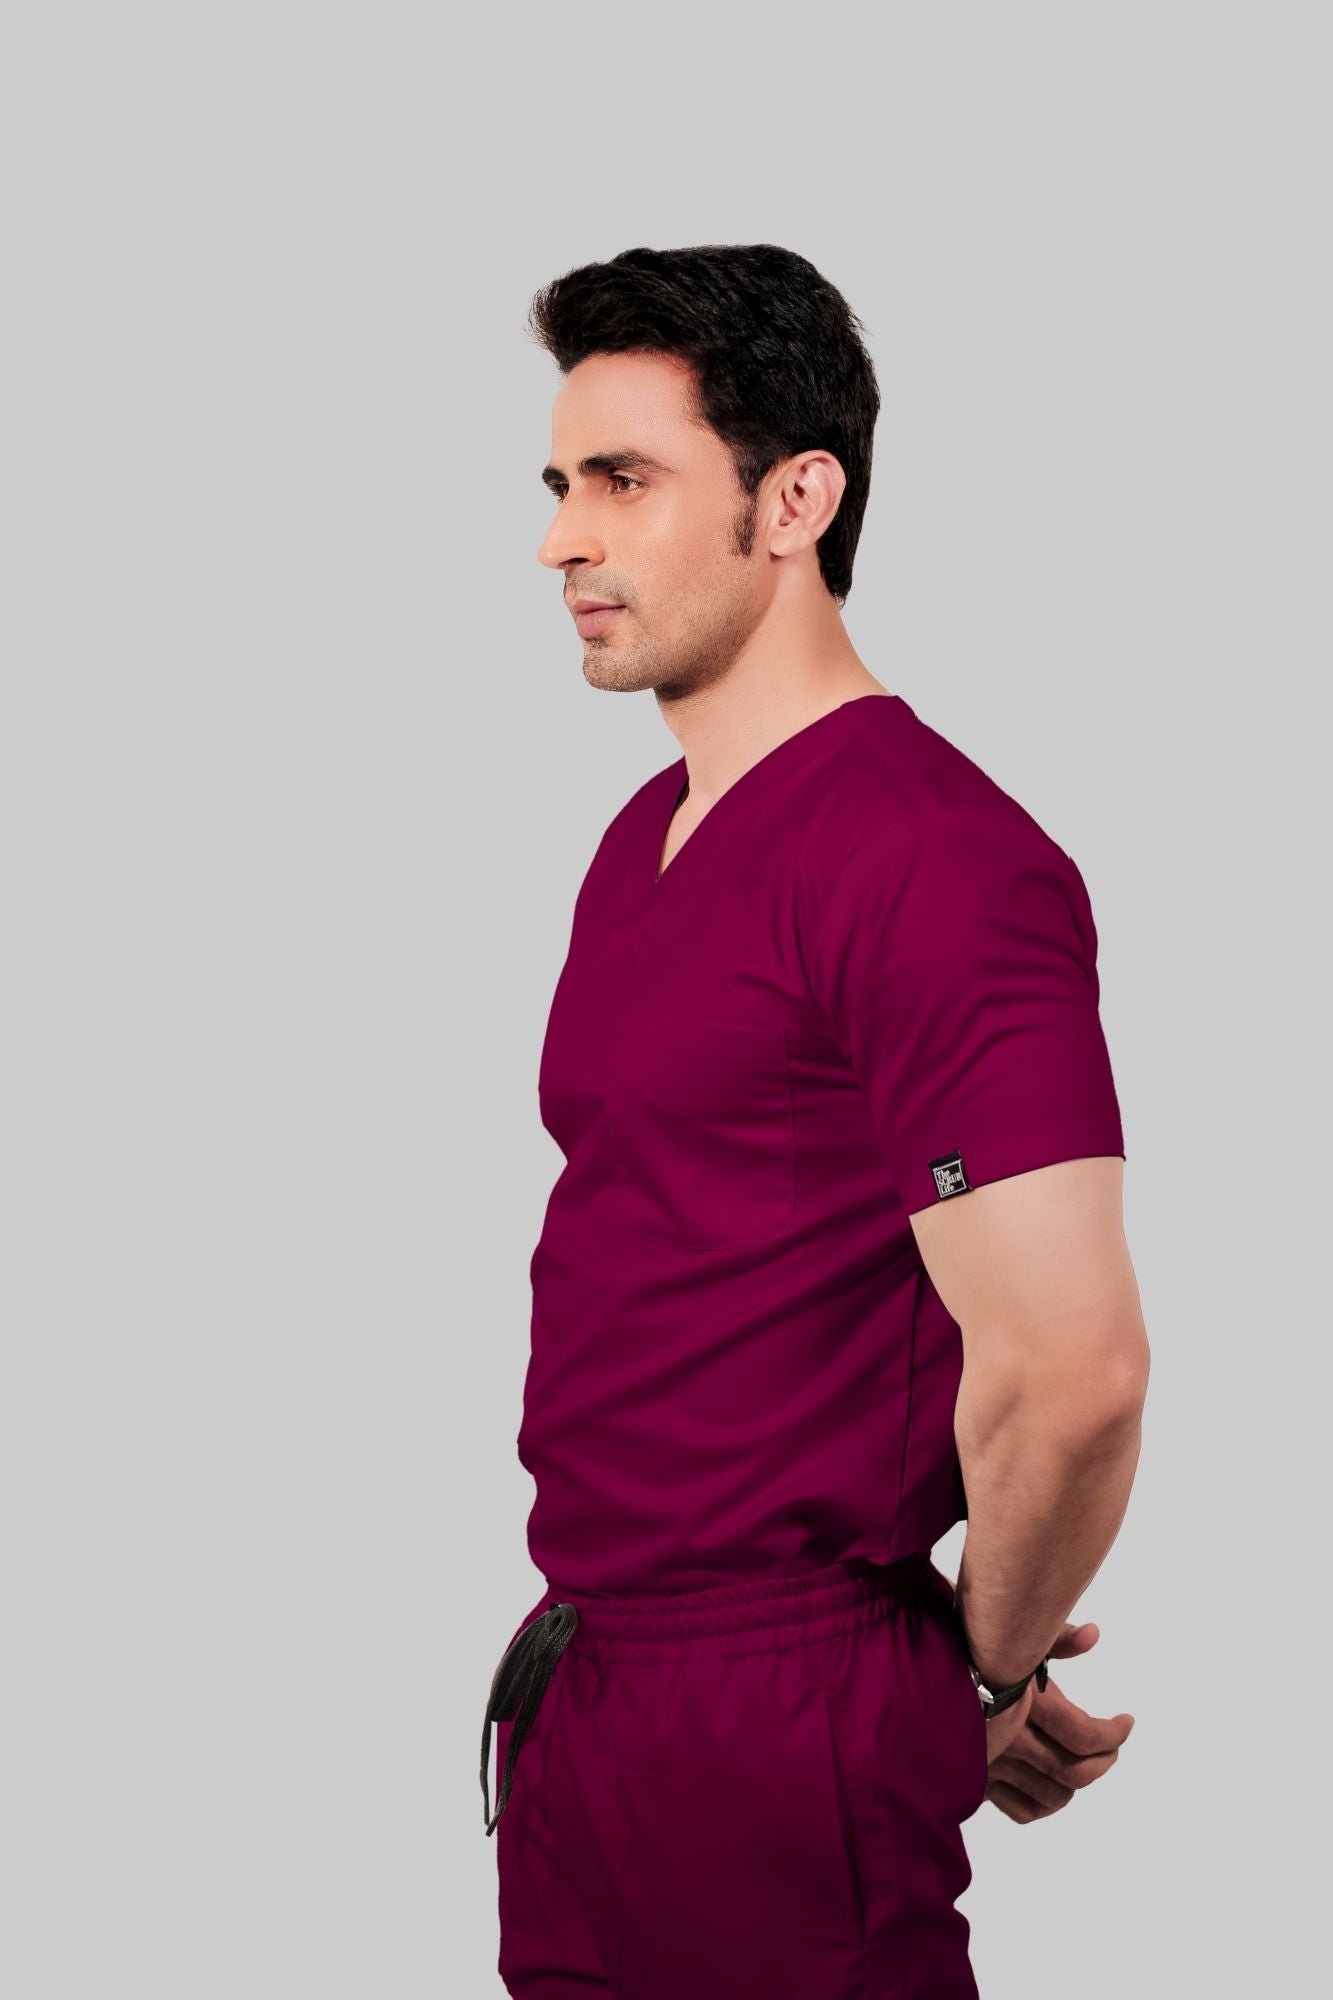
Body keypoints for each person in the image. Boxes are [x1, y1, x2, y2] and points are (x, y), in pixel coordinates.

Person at [480, 243, 1150, 1999]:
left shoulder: (931, 859)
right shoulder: (644, 841)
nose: (562, 540)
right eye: (558, 486)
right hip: (590, 1682)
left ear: (795, 499)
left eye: (623, 481)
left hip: (778, 1705)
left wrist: (977, 1675)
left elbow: (1073, 1369)